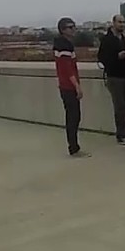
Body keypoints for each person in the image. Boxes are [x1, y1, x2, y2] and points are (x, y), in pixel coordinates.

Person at [97, 14, 125, 145]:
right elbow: (102, 58)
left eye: (124, 22)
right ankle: (121, 135)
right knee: (119, 106)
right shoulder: (107, 39)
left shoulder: (124, 38)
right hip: (114, 76)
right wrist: (117, 57)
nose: (122, 25)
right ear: (113, 23)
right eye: (119, 22)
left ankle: (124, 132)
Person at [53, 17, 88, 157]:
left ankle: (73, 146)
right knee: (73, 117)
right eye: (70, 27)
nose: (73, 29)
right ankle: (74, 148)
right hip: (68, 87)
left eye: (74, 26)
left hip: (64, 86)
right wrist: (77, 86)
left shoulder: (60, 44)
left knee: (72, 117)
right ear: (63, 30)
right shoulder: (65, 46)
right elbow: (68, 69)